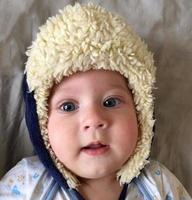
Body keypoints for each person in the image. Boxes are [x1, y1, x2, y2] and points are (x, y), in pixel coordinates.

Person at [0, 3, 191, 200]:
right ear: (40, 122)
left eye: (110, 102)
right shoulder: (27, 183)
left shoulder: (159, 185)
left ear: (140, 111)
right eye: (68, 106)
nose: (93, 120)